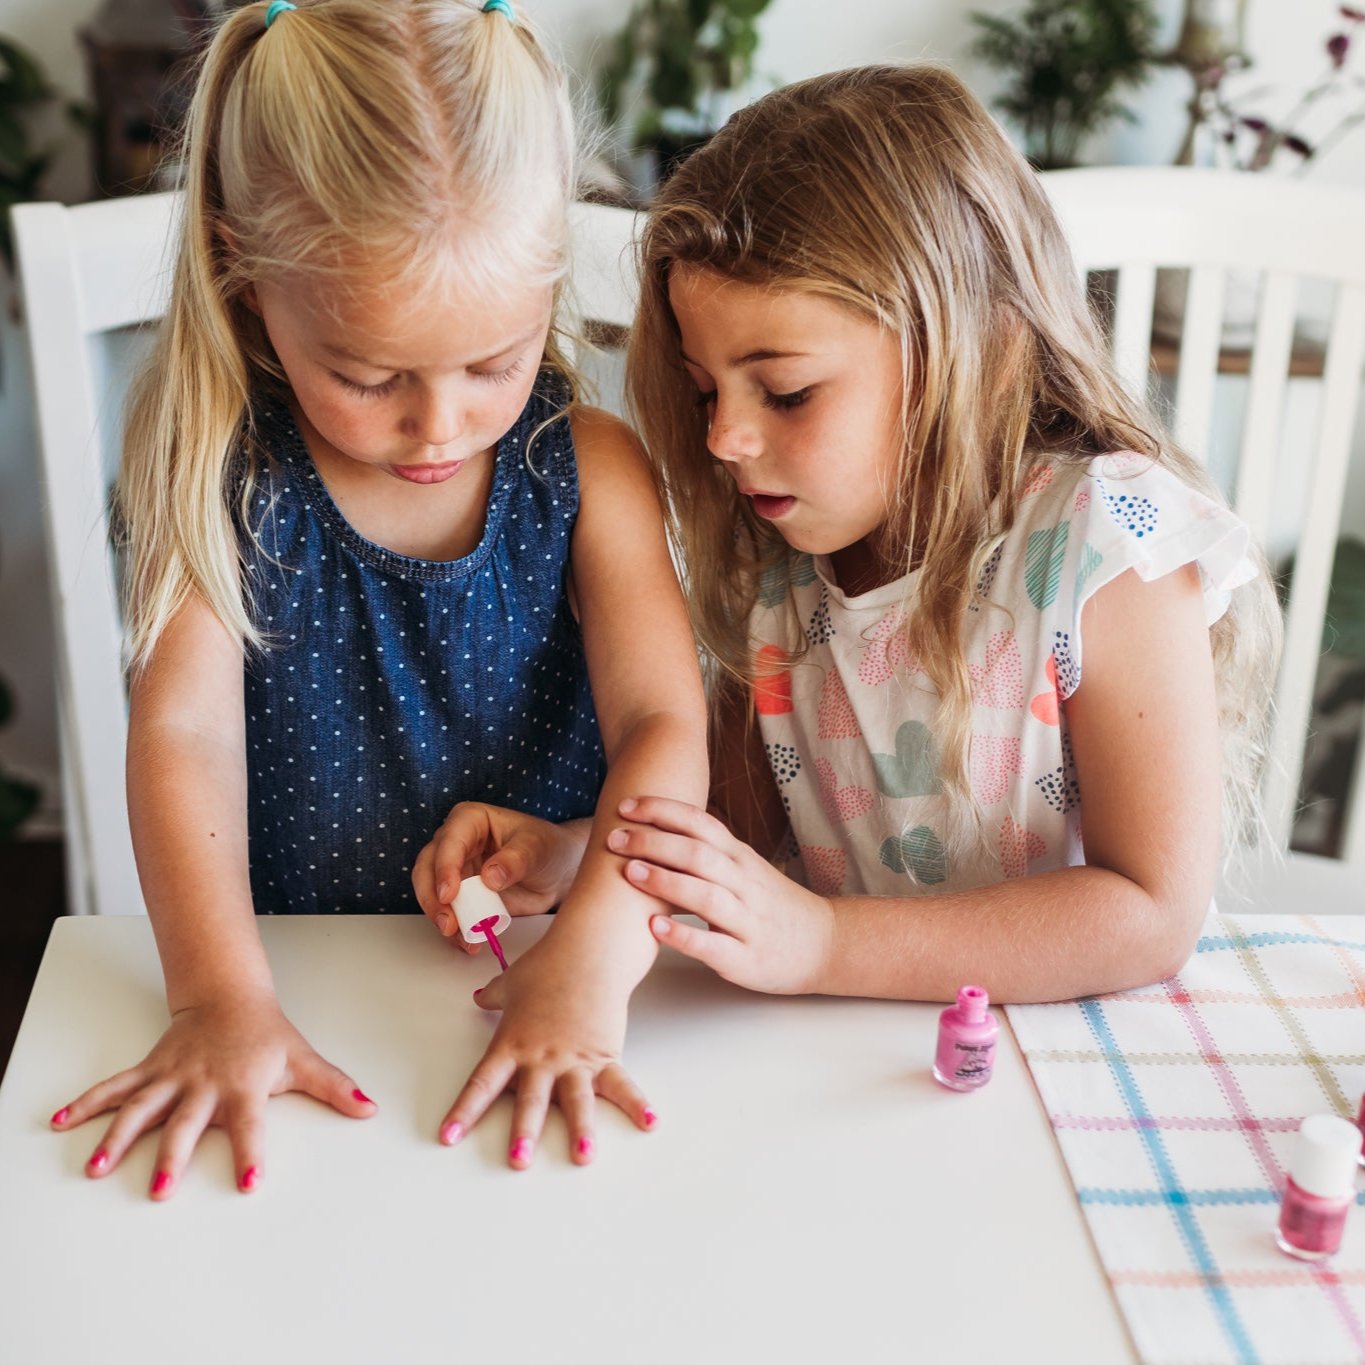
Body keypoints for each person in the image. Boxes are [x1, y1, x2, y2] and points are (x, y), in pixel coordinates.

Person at [47, 0, 707, 1198]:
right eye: (368, 374)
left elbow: (666, 728)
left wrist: (597, 959)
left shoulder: (590, 472)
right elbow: (182, 733)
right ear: (249, 285)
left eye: (494, 362)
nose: (438, 423)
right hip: (309, 992)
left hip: (545, 973)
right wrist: (219, 999)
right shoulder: (227, 482)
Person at [450, 63, 1282, 1007]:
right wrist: (575, 858)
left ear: (983, 351)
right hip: (854, 1068)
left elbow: (1148, 912)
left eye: (788, 391)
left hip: (1064, 1070)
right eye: (704, 390)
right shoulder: (784, 562)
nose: (723, 436)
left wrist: (826, 944)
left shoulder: (1108, 547)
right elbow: (729, 816)